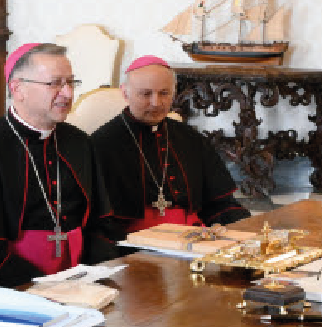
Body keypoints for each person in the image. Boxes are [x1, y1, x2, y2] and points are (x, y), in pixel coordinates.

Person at [0, 42, 119, 287]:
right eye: (55, 84)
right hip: (13, 287)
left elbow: (99, 224)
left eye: (71, 83)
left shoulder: (79, 143)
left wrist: (95, 275)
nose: (68, 93)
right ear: (18, 88)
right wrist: (41, 287)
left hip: (81, 282)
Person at [91, 55, 252, 235]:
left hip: (192, 238)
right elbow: (100, 223)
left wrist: (246, 228)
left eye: (164, 93)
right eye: (146, 94)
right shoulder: (102, 143)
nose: (156, 103)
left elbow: (219, 204)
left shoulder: (191, 138)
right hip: (134, 244)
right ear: (125, 93)